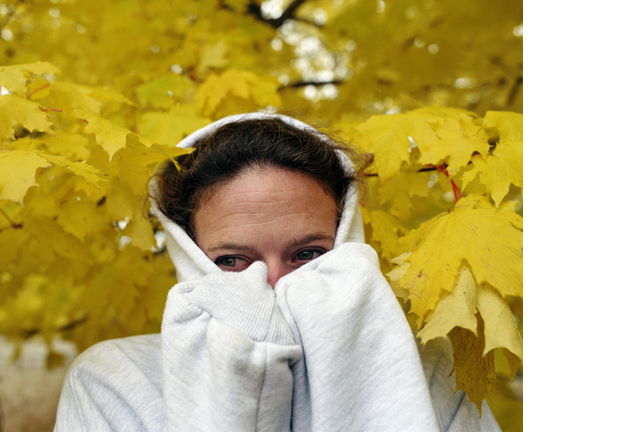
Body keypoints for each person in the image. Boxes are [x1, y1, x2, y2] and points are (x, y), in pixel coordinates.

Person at [53, 113, 501, 431]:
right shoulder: (115, 380)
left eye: (306, 254)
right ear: (189, 256)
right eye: (231, 261)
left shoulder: (426, 370)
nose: (274, 283)